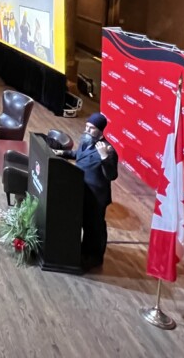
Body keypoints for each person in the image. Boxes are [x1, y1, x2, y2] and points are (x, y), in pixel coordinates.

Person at [56, 112, 119, 270]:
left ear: (100, 131)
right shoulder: (86, 141)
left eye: (91, 129)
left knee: (94, 228)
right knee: (85, 224)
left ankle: (95, 258)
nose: (87, 131)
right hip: (82, 191)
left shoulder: (109, 150)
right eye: (87, 127)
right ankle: (84, 251)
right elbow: (79, 155)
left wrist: (104, 157)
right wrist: (62, 153)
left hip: (97, 197)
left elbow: (112, 175)